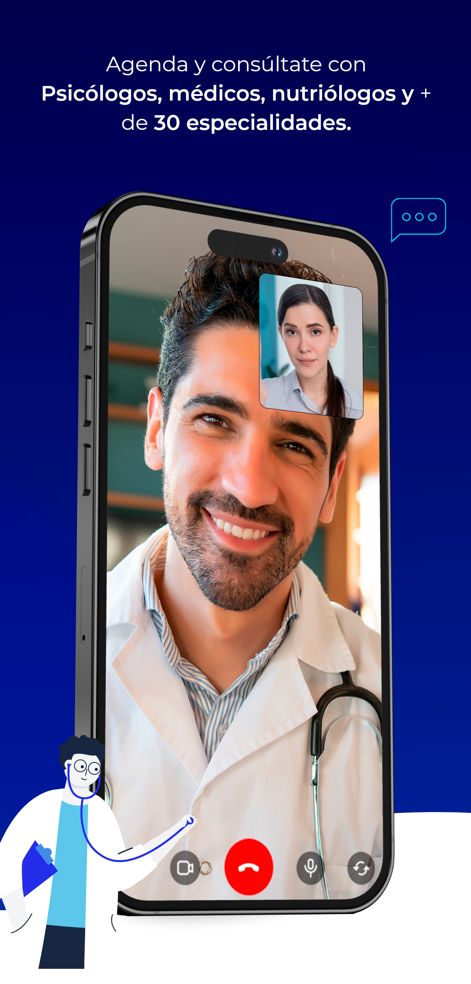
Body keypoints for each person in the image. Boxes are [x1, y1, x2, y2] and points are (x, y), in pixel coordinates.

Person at [106, 253, 382, 904]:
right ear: (157, 429)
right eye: (215, 420)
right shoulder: (29, 661)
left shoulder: (401, 699)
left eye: (295, 444)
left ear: (331, 486)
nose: (250, 487)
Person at [0, 735, 195, 968]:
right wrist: (18, 920)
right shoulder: (42, 807)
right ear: (67, 767)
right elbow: (6, 858)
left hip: (90, 934)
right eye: (80, 766)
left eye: (93, 768)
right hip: (42, 929)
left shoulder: (102, 815)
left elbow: (121, 872)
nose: (86, 774)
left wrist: (175, 832)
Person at [261, 283, 363, 418]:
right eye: (292, 332)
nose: (303, 347)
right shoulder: (265, 395)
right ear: (281, 335)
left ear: (333, 336)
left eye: (315, 331)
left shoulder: (354, 405)